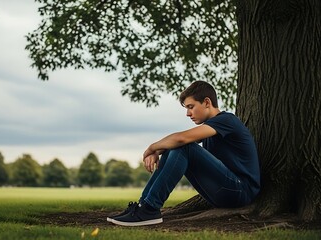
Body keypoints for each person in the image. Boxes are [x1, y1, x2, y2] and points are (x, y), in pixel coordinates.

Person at [108, 81, 261, 227]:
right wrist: (158, 151)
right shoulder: (211, 129)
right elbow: (177, 142)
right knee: (178, 147)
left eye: (191, 107)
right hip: (226, 191)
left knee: (184, 146)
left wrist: (151, 148)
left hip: (241, 190)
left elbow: (181, 139)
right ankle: (143, 205)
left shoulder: (227, 120)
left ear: (207, 102)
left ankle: (150, 209)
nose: (188, 114)